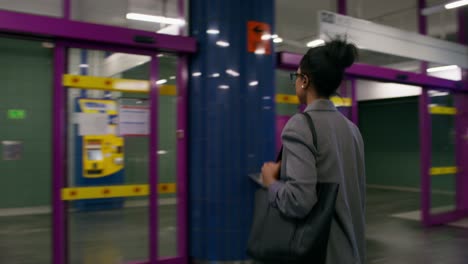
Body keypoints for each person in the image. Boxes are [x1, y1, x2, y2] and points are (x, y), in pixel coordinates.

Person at [261, 39, 366, 264]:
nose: (295, 82)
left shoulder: (300, 125)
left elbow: (299, 201)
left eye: (296, 76)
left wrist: (271, 183)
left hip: (321, 254)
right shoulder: (353, 130)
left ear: (305, 81)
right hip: (351, 253)